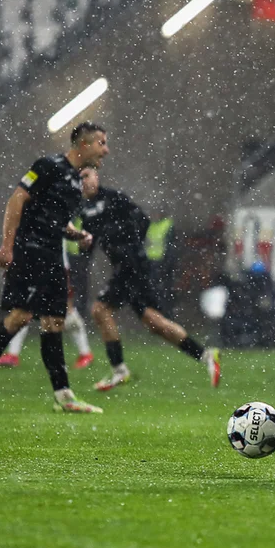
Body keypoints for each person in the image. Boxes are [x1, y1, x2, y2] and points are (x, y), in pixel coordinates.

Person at [0, 122, 107, 414]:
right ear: (83, 145)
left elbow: (57, 220)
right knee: (20, 317)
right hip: (30, 251)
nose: (106, 149)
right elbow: (17, 198)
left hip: (53, 254)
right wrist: (7, 245)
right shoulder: (48, 166)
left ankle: (63, 395)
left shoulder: (73, 179)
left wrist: (77, 234)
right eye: (101, 143)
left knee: (54, 322)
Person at [78, 166, 221, 391]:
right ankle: (205, 355)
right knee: (155, 323)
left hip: (132, 266)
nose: (84, 181)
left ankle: (119, 370)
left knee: (100, 310)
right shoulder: (84, 210)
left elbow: (142, 221)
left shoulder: (113, 198)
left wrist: (129, 246)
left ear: (97, 176)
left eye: (87, 175)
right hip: (126, 268)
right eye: (80, 177)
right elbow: (89, 242)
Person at [0, 224, 95, 369]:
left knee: (64, 311)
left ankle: (84, 353)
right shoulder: (25, 205)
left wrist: (80, 236)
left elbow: (65, 224)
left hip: (56, 267)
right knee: (22, 308)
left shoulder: (55, 205)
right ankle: (13, 354)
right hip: (30, 265)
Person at [145, 209, 177, 317]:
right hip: (152, 261)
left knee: (164, 290)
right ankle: (158, 315)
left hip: (162, 262)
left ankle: (166, 315)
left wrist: (167, 263)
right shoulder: (152, 226)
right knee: (154, 290)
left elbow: (170, 246)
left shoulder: (167, 225)